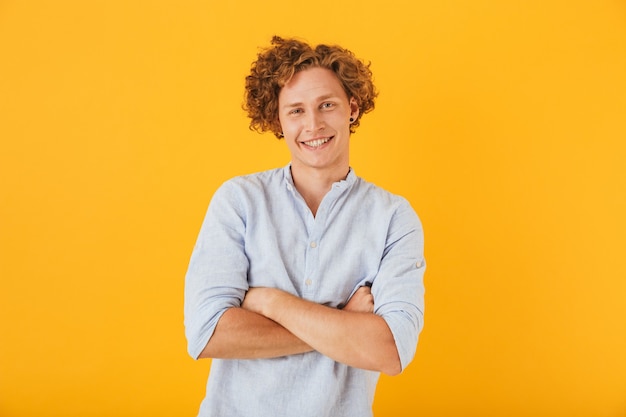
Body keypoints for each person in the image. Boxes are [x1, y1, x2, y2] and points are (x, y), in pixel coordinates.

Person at [184, 36, 426, 417]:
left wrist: (270, 302)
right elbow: (208, 333)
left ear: (353, 108)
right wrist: (345, 325)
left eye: (326, 105)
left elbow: (391, 351)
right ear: (277, 120)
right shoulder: (239, 201)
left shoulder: (394, 218)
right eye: (295, 110)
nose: (313, 124)